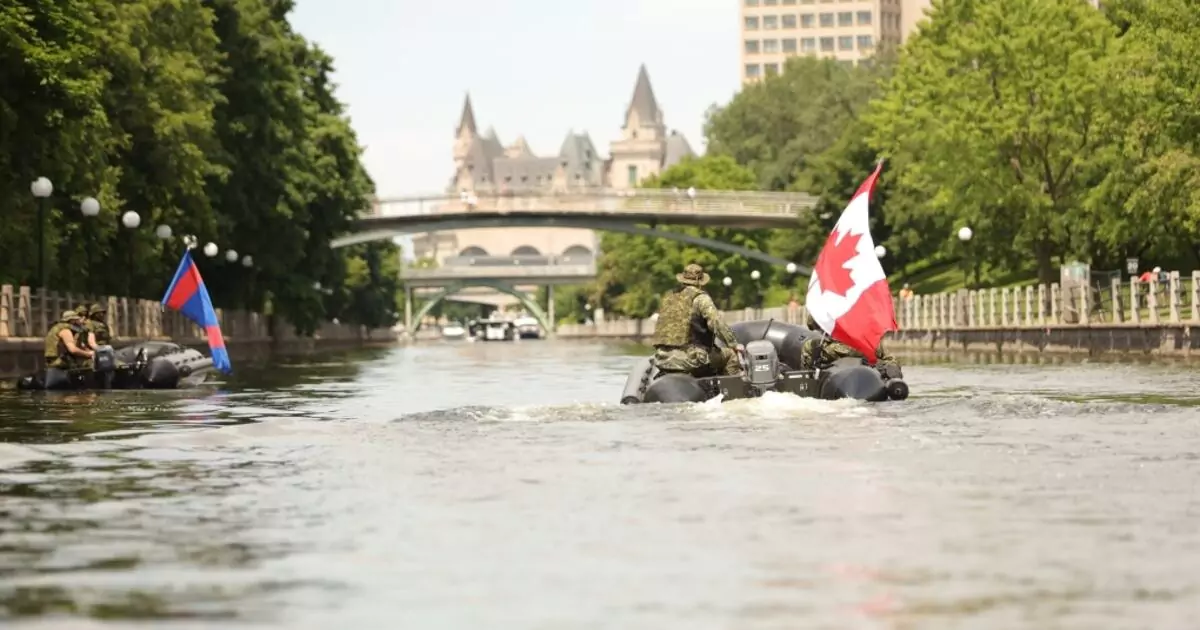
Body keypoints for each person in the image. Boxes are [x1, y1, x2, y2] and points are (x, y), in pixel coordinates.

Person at [650, 263, 745, 377]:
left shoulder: (669, 298)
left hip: (663, 358)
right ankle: (732, 390)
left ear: (683, 280)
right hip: (690, 360)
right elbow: (717, 323)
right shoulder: (701, 298)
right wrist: (734, 344)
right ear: (700, 282)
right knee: (730, 355)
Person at [799, 313, 898, 370]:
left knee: (808, 347)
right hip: (862, 347)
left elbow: (811, 324)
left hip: (837, 349)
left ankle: (810, 376)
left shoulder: (827, 305)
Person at [44, 310, 95, 382]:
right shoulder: (65, 331)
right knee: (90, 363)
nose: (79, 322)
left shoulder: (56, 328)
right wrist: (89, 354)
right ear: (72, 321)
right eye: (77, 320)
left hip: (55, 361)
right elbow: (73, 350)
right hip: (59, 362)